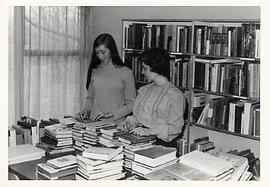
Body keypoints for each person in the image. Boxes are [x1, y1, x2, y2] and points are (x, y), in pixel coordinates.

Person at [118, 48, 186, 148]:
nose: (142, 72)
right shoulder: (144, 90)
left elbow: (176, 129)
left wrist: (150, 131)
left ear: (156, 68)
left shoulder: (175, 95)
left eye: (145, 68)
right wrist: (128, 123)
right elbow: (137, 117)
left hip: (162, 145)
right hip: (139, 140)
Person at [76, 33, 136, 122]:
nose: (100, 56)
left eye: (103, 52)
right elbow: (90, 98)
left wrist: (110, 114)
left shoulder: (126, 72)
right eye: (97, 53)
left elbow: (132, 105)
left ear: (112, 50)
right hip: (94, 123)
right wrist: (85, 111)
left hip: (115, 124)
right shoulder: (95, 70)